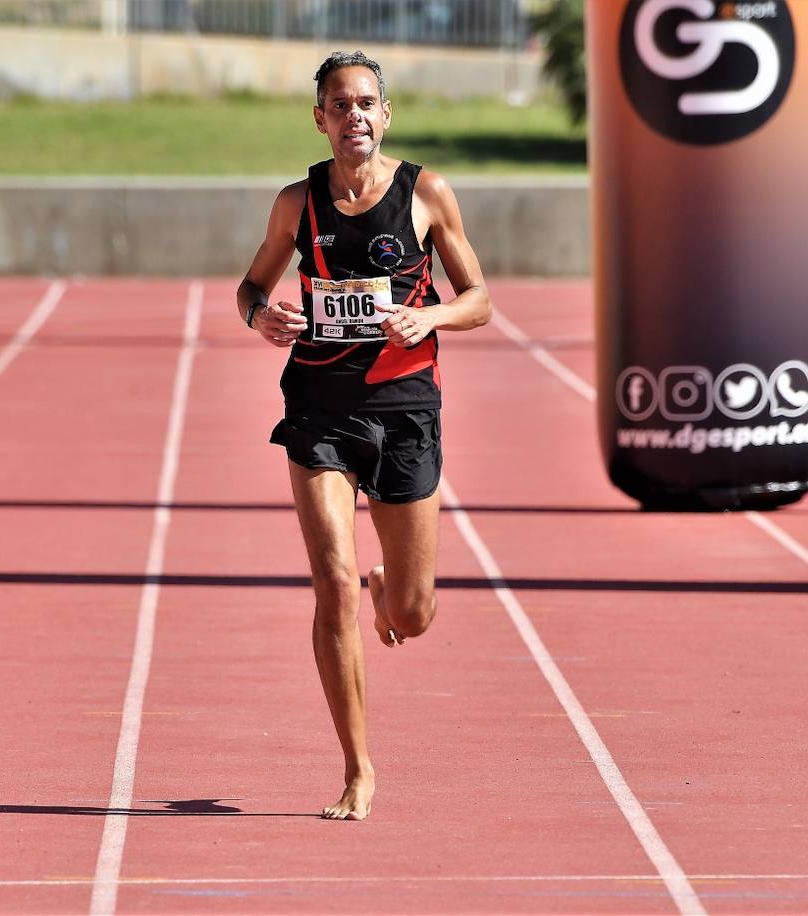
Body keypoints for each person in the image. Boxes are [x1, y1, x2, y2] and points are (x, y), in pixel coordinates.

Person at [235, 50, 492, 820]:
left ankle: (390, 591)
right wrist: (261, 314)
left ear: (387, 115)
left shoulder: (426, 194)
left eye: (366, 104)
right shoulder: (296, 203)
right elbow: (250, 285)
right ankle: (357, 768)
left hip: (405, 409)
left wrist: (431, 315)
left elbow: (478, 298)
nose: (354, 116)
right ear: (320, 118)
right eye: (339, 105)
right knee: (330, 582)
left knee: (412, 614)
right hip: (317, 407)